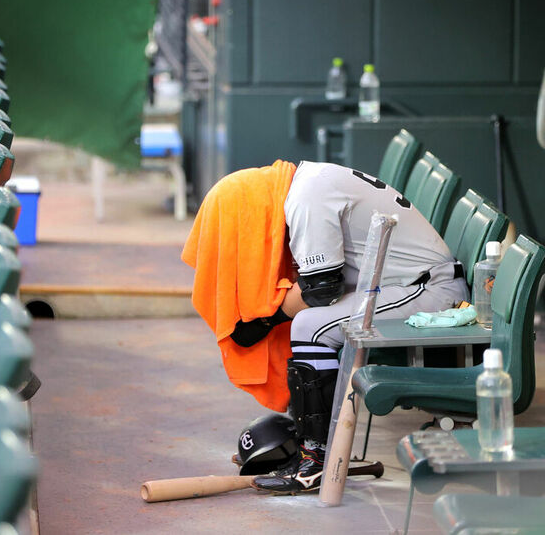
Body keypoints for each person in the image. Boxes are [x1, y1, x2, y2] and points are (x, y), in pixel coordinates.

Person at [182, 160, 468, 495]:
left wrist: (264, 319)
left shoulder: (306, 197)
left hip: (429, 292)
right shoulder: (304, 182)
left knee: (311, 326)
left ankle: (315, 460)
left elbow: (322, 287)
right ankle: (310, 445)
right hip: (404, 284)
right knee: (309, 322)